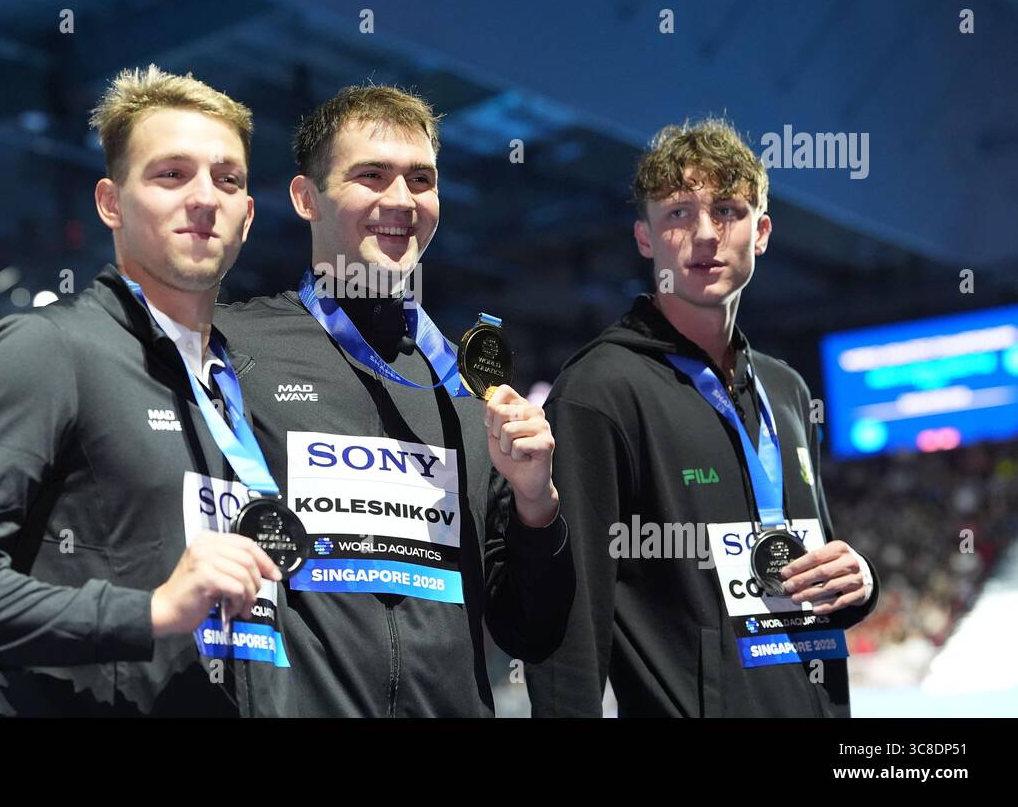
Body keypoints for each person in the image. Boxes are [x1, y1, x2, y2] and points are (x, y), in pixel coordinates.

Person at [0, 66, 286, 715]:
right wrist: (148, 612)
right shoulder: (45, 350)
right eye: (170, 174)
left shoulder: (247, 387)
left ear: (249, 214)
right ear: (110, 203)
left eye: (227, 179)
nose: (205, 197)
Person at [212, 85, 573, 716]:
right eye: (371, 176)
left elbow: (531, 632)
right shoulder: (236, 347)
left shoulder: (469, 389)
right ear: (305, 198)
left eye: (421, 179)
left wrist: (536, 502)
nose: (401, 201)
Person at [527, 118, 878, 717]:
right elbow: (571, 607)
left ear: (761, 231)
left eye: (728, 212)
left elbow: (813, 561)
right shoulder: (600, 390)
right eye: (678, 214)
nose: (706, 235)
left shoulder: (787, 391)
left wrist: (859, 585)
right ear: (645, 239)